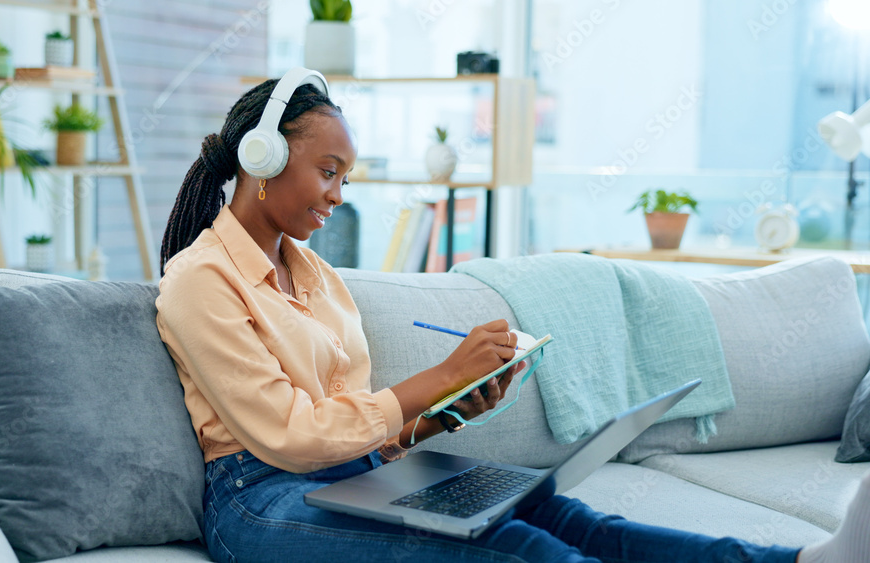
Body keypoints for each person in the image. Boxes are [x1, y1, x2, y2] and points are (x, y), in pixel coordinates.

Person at [155, 71, 869, 563]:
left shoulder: (318, 277)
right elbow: (290, 434)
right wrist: (437, 376)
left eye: (347, 177)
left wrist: (448, 410)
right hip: (263, 500)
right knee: (517, 549)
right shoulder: (199, 281)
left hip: (356, 469)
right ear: (264, 157)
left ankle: (806, 557)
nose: (339, 193)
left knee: (559, 513)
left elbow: (355, 423)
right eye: (329, 169)